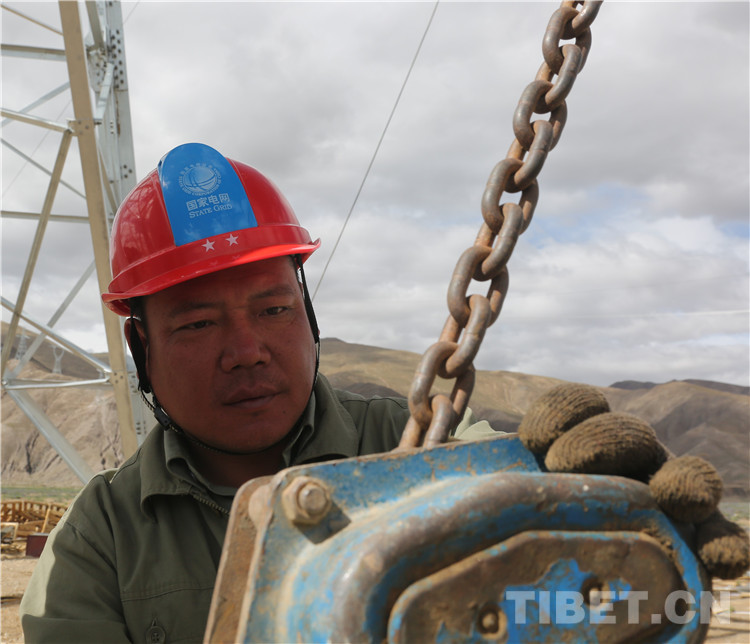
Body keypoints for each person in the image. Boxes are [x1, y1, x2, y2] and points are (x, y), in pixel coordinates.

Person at [20, 143, 748, 643]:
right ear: (141, 347)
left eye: (273, 309)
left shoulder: (422, 441)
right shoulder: (100, 543)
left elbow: (513, 494)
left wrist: (592, 499)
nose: (246, 351)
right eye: (198, 323)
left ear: (307, 312)